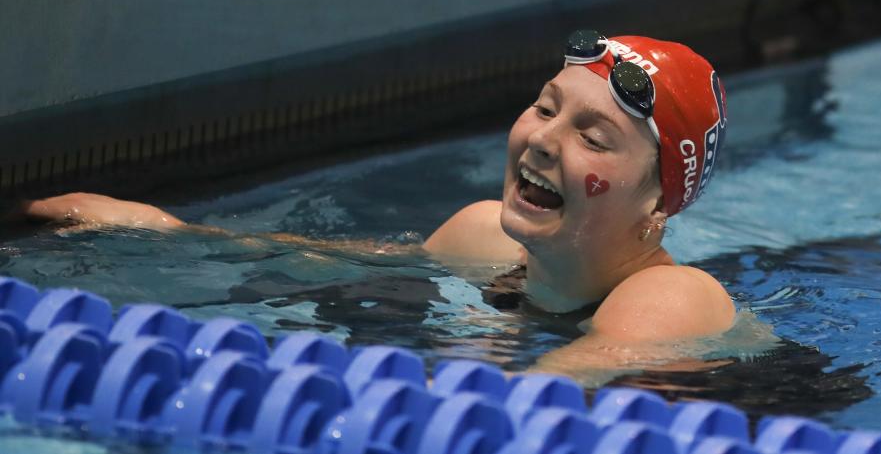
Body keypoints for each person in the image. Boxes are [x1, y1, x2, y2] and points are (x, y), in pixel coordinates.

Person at [15, 31, 735, 379]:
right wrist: (166, 231)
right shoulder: (485, 237)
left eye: (593, 136)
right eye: (546, 107)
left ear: (657, 203)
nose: (545, 140)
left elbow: (550, 385)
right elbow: (322, 260)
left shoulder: (671, 297)